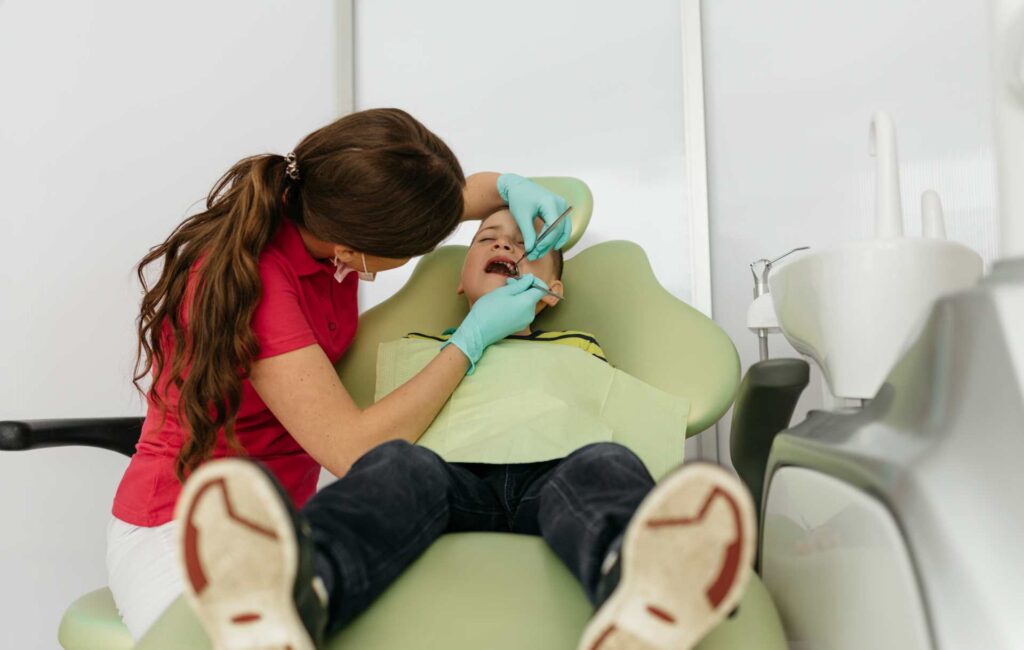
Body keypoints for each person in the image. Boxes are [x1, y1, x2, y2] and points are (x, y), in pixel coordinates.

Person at [174, 209, 757, 650]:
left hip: (553, 477)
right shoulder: (419, 354)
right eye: (487, 238)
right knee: (397, 466)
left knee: (602, 463)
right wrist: (471, 337)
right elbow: (360, 440)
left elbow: (629, 417)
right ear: (458, 282)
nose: (504, 242)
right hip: (445, 482)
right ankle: (296, 589)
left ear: (553, 292)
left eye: (527, 247)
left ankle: (642, 586)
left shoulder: (583, 348)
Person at [106, 107, 574, 640]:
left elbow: (469, 195)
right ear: (354, 250)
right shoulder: (258, 285)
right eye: (416, 248)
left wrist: (514, 188)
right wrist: (471, 340)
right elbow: (352, 450)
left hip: (292, 519)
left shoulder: (326, 211)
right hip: (182, 524)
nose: (501, 247)